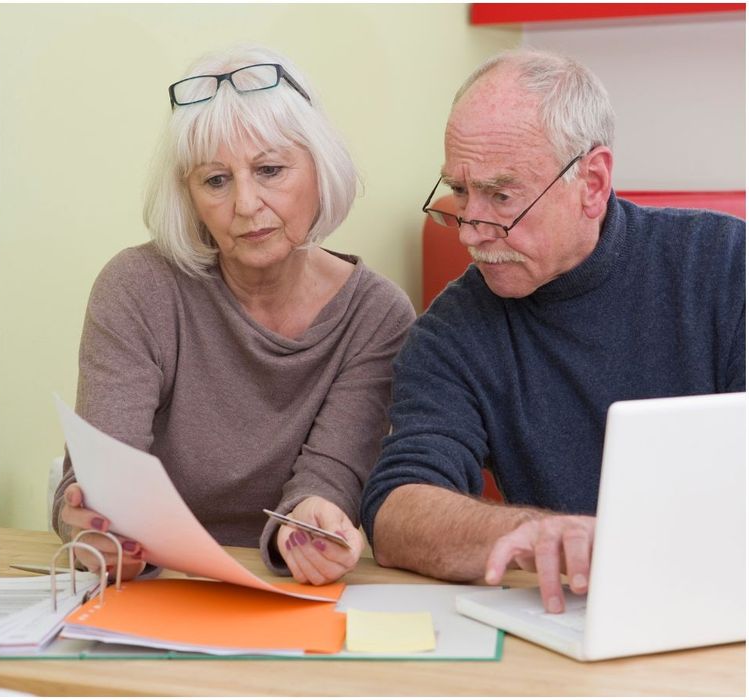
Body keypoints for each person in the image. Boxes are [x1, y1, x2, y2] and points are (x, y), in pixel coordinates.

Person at [361, 49, 746, 612]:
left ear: (592, 182)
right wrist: (538, 535)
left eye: (501, 196)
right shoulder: (450, 331)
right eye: (460, 193)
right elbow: (396, 511)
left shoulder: (726, 266)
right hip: (573, 618)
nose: (469, 232)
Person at [51, 45, 415, 585]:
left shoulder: (377, 316)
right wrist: (89, 524)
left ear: (321, 169)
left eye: (270, 170)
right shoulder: (137, 288)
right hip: (155, 586)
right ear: (189, 196)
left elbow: (327, 482)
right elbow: (97, 480)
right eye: (215, 180)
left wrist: (315, 525)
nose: (245, 204)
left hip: (287, 588)